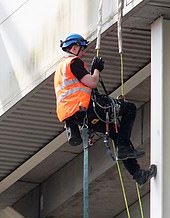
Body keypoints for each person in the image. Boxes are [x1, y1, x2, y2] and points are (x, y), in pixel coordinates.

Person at [54, 33, 157, 187]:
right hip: (87, 110)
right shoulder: (73, 63)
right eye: (82, 49)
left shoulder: (60, 70)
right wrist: (96, 69)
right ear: (74, 47)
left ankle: (137, 174)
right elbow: (92, 82)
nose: (84, 53)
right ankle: (124, 149)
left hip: (78, 117)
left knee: (116, 133)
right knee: (129, 108)